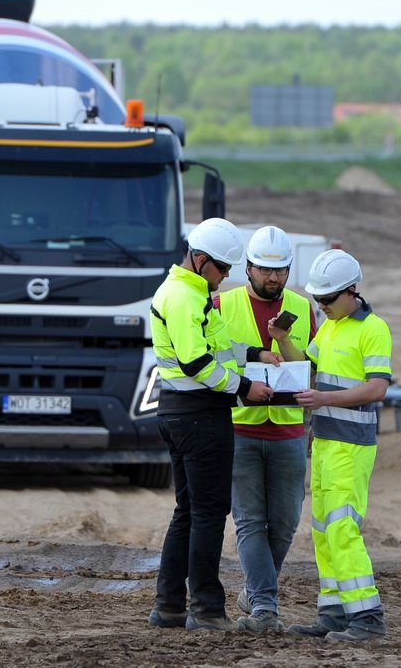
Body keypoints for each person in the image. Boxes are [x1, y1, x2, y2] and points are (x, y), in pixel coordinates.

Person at [146, 217, 278, 632]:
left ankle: (168, 605)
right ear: (200, 260)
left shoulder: (190, 292)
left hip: (182, 412)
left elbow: (219, 345)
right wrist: (244, 388)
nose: (225, 277)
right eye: (221, 268)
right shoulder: (185, 298)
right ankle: (205, 608)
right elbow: (198, 362)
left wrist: (255, 353)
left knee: (187, 511)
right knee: (207, 513)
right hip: (199, 414)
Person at [268, 249, 392, 642]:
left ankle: (367, 617)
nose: (321, 306)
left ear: (351, 292)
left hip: (352, 446)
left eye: (327, 300)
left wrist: (323, 400)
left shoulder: (373, 328)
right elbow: (308, 367)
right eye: (317, 300)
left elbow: (377, 388)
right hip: (323, 443)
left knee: (342, 529)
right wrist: (283, 341)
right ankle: (335, 613)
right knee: (323, 530)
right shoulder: (331, 327)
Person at [215, 226, 317, 633]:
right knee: (250, 521)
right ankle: (265, 607)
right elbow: (215, 365)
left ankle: (257, 590)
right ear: (248, 267)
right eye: (265, 270)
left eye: (280, 270)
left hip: (289, 430)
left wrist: (284, 340)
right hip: (241, 428)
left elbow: (309, 365)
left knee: (287, 521)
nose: (273, 278)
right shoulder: (222, 305)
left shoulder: (302, 307)